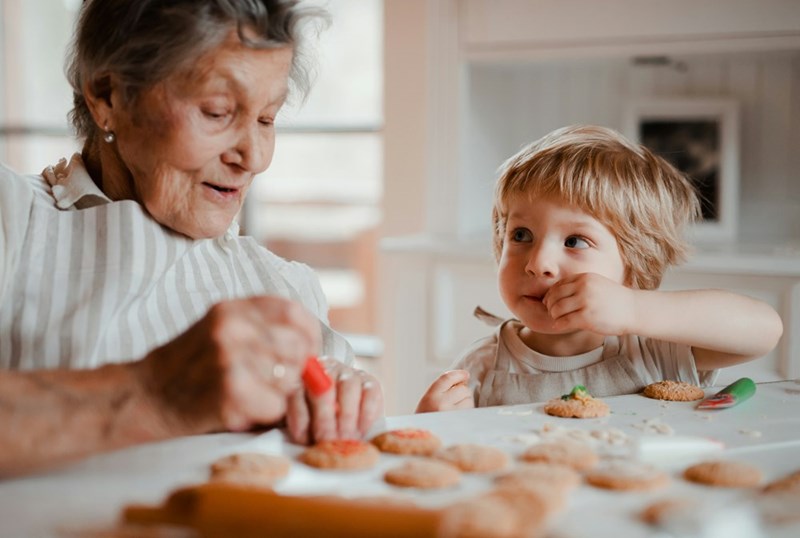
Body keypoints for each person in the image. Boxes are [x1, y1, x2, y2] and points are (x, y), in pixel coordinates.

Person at [0, 0, 382, 477]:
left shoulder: (287, 290)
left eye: (267, 118)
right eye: (217, 111)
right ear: (108, 96)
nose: (255, 156)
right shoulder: (13, 219)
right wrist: (153, 395)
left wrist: (344, 401)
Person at [416, 125, 783, 412]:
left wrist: (632, 308)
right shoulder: (482, 366)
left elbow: (764, 330)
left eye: (575, 241)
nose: (538, 263)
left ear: (634, 264)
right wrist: (435, 424)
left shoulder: (657, 348)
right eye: (522, 234)